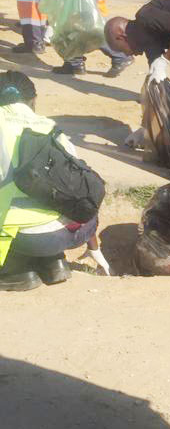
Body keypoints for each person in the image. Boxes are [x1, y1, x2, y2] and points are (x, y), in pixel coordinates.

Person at [0, 73, 108, 291]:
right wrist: (92, 245)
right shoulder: (50, 127)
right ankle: (53, 262)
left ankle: (16, 271)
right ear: (33, 100)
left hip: (25, 235)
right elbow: (78, 185)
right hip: (75, 231)